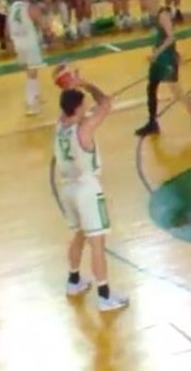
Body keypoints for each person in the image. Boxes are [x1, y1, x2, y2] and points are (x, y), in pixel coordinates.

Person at [55, 75, 129, 312]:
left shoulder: (60, 124)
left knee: (79, 234)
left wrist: (70, 86)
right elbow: (105, 103)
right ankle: (105, 296)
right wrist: (86, 83)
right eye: (83, 106)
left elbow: (69, 104)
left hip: (67, 188)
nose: (86, 109)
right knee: (97, 243)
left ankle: (73, 281)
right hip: (86, 188)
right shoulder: (84, 128)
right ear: (77, 108)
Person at [134, 0, 191, 136]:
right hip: (159, 58)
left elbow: (171, 37)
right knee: (151, 87)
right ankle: (152, 122)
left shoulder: (163, 15)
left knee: (177, 92)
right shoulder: (154, 15)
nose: (146, 2)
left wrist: (157, 52)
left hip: (166, 58)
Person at [8, 0, 51, 115]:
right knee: (32, 72)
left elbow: (7, 25)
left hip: (17, 41)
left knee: (31, 70)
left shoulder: (13, 6)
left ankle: (36, 96)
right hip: (29, 41)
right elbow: (42, 24)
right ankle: (30, 103)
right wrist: (48, 31)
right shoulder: (31, 7)